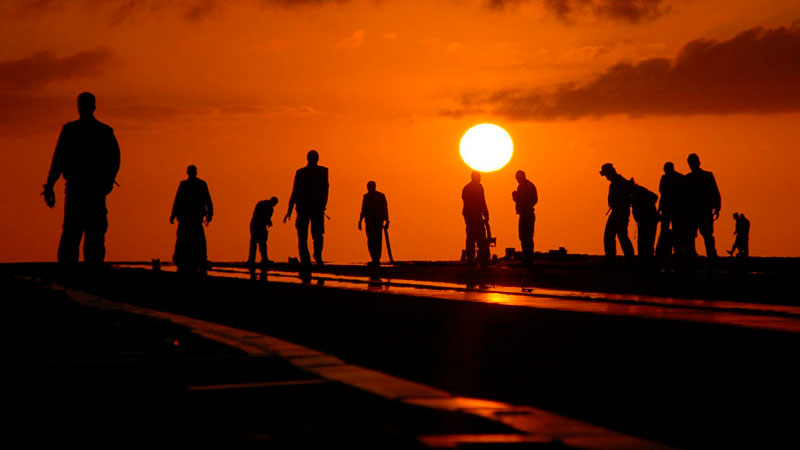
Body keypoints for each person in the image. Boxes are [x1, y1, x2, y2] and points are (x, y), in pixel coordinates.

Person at [42, 92, 120, 268]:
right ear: (93, 107)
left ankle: (76, 274)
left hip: (83, 190)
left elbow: (58, 160)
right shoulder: (102, 132)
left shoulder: (73, 131)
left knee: (78, 233)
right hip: (89, 191)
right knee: (87, 234)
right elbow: (114, 159)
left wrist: (50, 185)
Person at [284, 150, 329, 274]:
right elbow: (325, 191)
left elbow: (295, 192)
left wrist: (290, 209)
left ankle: (309, 259)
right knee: (315, 235)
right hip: (312, 208)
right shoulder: (322, 172)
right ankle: (314, 258)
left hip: (309, 208)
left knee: (307, 236)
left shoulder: (305, 172)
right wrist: (289, 210)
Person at [170, 165, 213, 274]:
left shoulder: (194, 185)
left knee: (195, 240)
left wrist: (210, 214)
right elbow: (178, 201)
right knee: (190, 240)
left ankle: (195, 260)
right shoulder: (190, 185)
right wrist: (173, 215)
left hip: (192, 218)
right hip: (188, 219)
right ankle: (187, 260)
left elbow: (207, 200)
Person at [685, 153, 721, 263]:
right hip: (700, 211)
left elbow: (715, 192)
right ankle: (709, 256)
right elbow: (715, 192)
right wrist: (717, 207)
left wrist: (717, 207)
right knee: (703, 235)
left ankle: (698, 256)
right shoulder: (706, 176)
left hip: (698, 211)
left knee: (697, 235)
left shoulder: (690, 178)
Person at [599, 163, 635, 265]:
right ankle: (629, 258)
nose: (606, 177)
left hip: (619, 212)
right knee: (622, 235)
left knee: (610, 235)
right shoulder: (620, 181)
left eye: (606, 174)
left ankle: (612, 259)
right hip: (621, 211)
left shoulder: (618, 182)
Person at [655, 162, 687, 266]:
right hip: (672, 209)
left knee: (668, 233)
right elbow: (663, 195)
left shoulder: (670, 178)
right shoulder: (679, 178)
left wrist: (660, 209)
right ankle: (672, 256)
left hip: (673, 210)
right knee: (671, 233)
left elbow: (663, 194)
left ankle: (671, 256)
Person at [462, 171, 490, 267]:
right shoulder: (477, 187)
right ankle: (477, 259)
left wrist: (485, 213)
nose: (480, 178)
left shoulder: (467, 188)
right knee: (478, 237)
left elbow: (482, 201)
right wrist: (485, 213)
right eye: (479, 177)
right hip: (473, 216)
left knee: (472, 237)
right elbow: (482, 201)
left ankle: (473, 258)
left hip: (471, 216)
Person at [358, 181, 389, 267]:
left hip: (378, 222)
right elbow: (363, 209)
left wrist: (387, 221)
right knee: (371, 240)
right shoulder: (366, 197)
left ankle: (376, 259)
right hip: (369, 222)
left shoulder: (381, 196)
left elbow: (385, 208)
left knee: (377, 240)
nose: (369, 188)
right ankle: (374, 258)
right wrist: (360, 221)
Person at [511, 170, 538, 265]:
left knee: (526, 236)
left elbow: (529, 199)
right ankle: (527, 258)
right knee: (525, 236)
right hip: (526, 214)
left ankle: (528, 259)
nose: (517, 181)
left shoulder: (525, 186)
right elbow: (534, 199)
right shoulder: (529, 185)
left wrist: (516, 197)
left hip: (526, 214)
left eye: (518, 179)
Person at [631, 182, 659, 267]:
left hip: (647, 220)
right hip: (648, 219)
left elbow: (654, 197)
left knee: (645, 241)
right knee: (647, 241)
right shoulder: (640, 192)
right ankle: (646, 262)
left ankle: (645, 262)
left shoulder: (639, 193)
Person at [248, 196, 278, 270]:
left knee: (256, 243)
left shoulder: (261, 203)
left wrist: (268, 222)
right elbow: (263, 217)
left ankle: (255, 260)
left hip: (255, 224)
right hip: (257, 224)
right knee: (259, 243)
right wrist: (268, 222)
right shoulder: (269, 208)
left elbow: (263, 217)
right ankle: (260, 259)